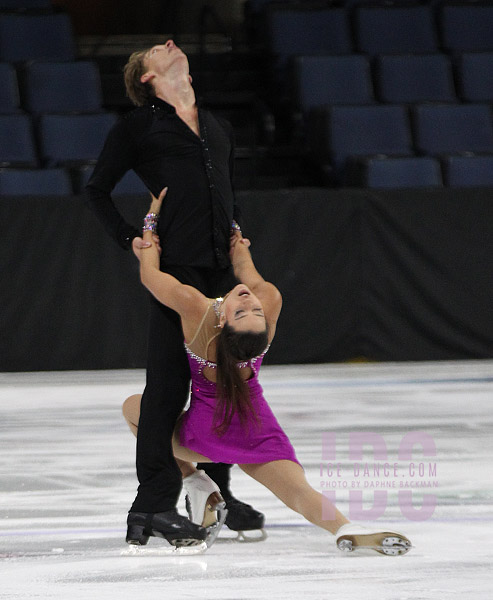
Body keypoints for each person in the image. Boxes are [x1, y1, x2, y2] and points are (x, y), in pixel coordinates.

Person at [122, 189, 413, 556]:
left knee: (135, 409)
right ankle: (343, 526)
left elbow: (151, 277)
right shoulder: (269, 301)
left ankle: (198, 481)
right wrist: (236, 238)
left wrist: (150, 227)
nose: (248, 301)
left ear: (224, 322)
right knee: (297, 490)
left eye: (246, 310)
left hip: (202, 433)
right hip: (255, 431)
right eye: (250, 309)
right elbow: (245, 269)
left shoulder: (197, 312)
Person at [85, 39, 264, 548]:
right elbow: (96, 190)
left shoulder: (217, 126)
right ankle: (153, 505)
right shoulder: (138, 126)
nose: (170, 43)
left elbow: (226, 191)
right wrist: (133, 239)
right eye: (156, 50)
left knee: (220, 386)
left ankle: (219, 497)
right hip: (178, 269)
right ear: (146, 77)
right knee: (167, 387)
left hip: (220, 272)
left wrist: (237, 235)